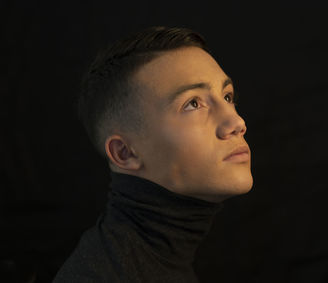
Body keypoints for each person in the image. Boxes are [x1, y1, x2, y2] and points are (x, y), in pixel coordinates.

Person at [53, 26, 253, 283]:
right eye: (193, 103)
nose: (236, 122)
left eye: (227, 96)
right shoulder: (100, 275)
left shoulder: (159, 259)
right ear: (125, 153)